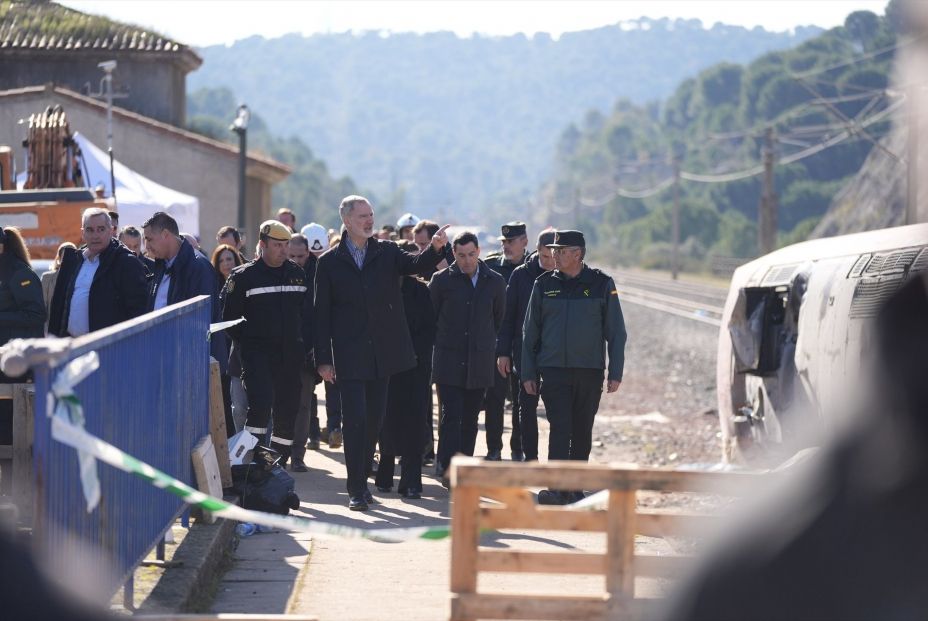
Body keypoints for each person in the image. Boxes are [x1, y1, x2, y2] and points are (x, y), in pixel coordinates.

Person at [314, 195, 448, 511]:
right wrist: (323, 359)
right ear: (346, 220)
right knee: (355, 422)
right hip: (349, 354)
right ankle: (357, 489)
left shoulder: (387, 252)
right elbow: (320, 315)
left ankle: (361, 478)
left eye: (371, 214)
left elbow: (417, 264)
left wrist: (437, 248)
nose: (369, 220)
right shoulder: (329, 263)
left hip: (384, 353)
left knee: (374, 422)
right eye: (362, 216)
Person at [521, 230, 627, 505]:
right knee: (560, 427)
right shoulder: (543, 285)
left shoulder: (602, 284)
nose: (554, 255)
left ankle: (576, 488)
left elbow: (616, 331)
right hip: (553, 370)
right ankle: (557, 487)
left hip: (589, 371)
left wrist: (615, 371)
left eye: (561, 250)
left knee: (582, 429)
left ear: (577, 254)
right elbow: (529, 333)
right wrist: (529, 372)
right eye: (553, 250)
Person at [221, 220, 309, 462]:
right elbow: (230, 320)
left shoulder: (297, 275)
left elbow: (307, 316)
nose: (283, 250)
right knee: (259, 411)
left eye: (286, 245)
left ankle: (275, 467)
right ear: (262, 244)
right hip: (257, 357)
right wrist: (251, 344)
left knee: (287, 414)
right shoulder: (243, 277)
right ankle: (250, 464)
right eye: (277, 245)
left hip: (290, 358)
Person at [429, 231, 506, 485]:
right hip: (449, 361)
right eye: (461, 255)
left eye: (471, 254)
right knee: (450, 416)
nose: (466, 261)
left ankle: (465, 469)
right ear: (454, 254)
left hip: (479, 362)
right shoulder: (441, 281)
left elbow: (498, 319)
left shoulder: (494, 282)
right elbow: (432, 317)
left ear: (479, 252)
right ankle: (448, 467)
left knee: (471, 419)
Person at [374, 241, 436, 498]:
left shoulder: (421, 292)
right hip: (385, 365)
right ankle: (385, 472)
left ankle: (411, 481)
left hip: (414, 366)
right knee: (386, 420)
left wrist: (413, 357)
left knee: (414, 423)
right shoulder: (378, 290)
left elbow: (428, 331)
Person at [495, 228, 556, 462]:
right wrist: (503, 352)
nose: (550, 262)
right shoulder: (521, 275)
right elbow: (508, 317)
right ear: (537, 250)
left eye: (554, 257)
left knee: (555, 411)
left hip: (554, 355)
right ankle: (529, 457)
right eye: (544, 257)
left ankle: (556, 461)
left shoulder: (566, 275)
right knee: (525, 408)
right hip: (525, 353)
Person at [48, 208, 149, 337]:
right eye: (90, 230)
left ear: (111, 231)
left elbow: (138, 314)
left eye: (101, 229)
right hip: (72, 347)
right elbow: (59, 308)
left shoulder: (126, 263)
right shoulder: (74, 260)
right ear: (83, 233)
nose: (95, 235)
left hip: (108, 349)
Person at [483, 221, 530, 461]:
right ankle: (494, 448)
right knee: (494, 399)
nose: (507, 246)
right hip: (496, 344)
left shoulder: (534, 269)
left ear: (525, 241)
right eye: (504, 242)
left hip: (523, 346)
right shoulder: (491, 267)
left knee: (522, 401)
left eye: (511, 242)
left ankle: (518, 448)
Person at [0, 227, 46, 461]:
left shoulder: (18, 273)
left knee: (7, 426)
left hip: (12, 365)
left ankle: (9, 487)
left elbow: (36, 316)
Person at [286, 233, 318, 472]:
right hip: (282, 348)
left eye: (301, 256)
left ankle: (297, 453)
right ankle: (279, 452)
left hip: (307, 350)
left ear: (308, 253)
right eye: (292, 256)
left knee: (303, 406)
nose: (297, 260)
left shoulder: (319, 274)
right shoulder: (280, 270)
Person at [212, 244, 246, 433]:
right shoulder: (213, 285)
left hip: (239, 348)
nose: (225, 264)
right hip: (220, 347)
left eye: (229, 259)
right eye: (221, 260)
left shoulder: (243, 280)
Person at [41, 241, 76, 324]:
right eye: (65, 257)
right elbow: (42, 306)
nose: (68, 260)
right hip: (51, 327)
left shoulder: (80, 277)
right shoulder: (47, 278)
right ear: (59, 259)